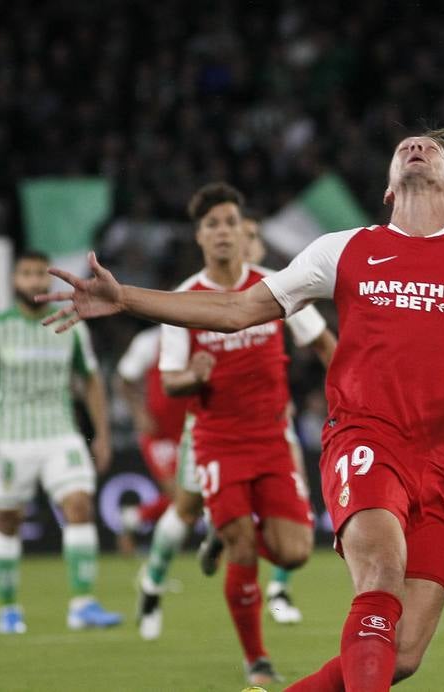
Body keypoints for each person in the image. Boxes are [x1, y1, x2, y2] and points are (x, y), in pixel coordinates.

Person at [38, 130, 444, 692]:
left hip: (442, 458)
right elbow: (239, 309)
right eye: (405, 147)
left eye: (433, 149)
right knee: (381, 574)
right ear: (389, 188)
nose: (416, 147)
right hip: (364, 438)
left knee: (403, 654)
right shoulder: (344, 250)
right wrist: (126, 297)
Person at [135, 182, 336, 687]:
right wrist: (194, 376)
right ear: (200, 236)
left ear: (243, 231)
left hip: (272, 439)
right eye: (212, 225)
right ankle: (256, 659)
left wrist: (351, 391)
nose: (222, 232)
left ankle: (224, 536)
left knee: (294, 552)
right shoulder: (184, 300)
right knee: (243, 550)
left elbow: (322, 342)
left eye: (229, 222)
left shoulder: (274, 285)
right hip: (218, 441)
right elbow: (171, 380)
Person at [0, 250, 122, 634]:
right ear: (14, 280)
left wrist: (101, 434)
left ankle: (82, 606)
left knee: (80, 505)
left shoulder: (72, 322)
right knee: (8, 520)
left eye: (40, 274)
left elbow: (91, 379)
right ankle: (8, 609)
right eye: (27, 273)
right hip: (11, 439)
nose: (34, 280)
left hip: (60, 434)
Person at [196, 211, 319, 626]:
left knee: (294, 527)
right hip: (213, 431)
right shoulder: (200, 293)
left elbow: (318, 340)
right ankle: (159, 581)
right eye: (241, 234)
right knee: (182, 513)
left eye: (251, 235)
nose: (246, 243)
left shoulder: (275, 289)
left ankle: (274, 582)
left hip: (272, 427)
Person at [114, 324, 190, 553]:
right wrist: (139, 413)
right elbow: (123, 381)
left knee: (193, 495)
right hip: (159, 433)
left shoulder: (199, 334)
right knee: (179, 495)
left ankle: (135, 517)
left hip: (190, 429)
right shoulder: (149, 341)